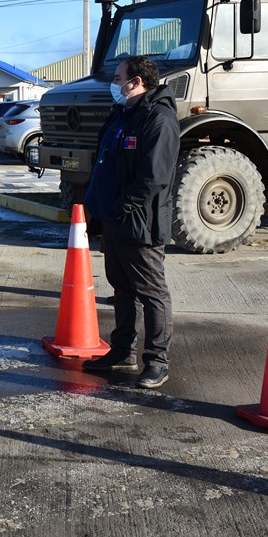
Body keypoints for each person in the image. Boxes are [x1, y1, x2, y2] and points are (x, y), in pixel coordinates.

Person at [81, 56, 179, 389]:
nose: (115, 83)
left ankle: (157, 360)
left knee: (151, 292)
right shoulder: (123, 114)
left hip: (139, 223)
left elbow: (153, 177)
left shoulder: (158, 120)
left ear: (135, 82)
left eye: (119, 77)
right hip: (113, 220)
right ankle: (123, 351)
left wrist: (122, 207)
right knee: (122, 290)